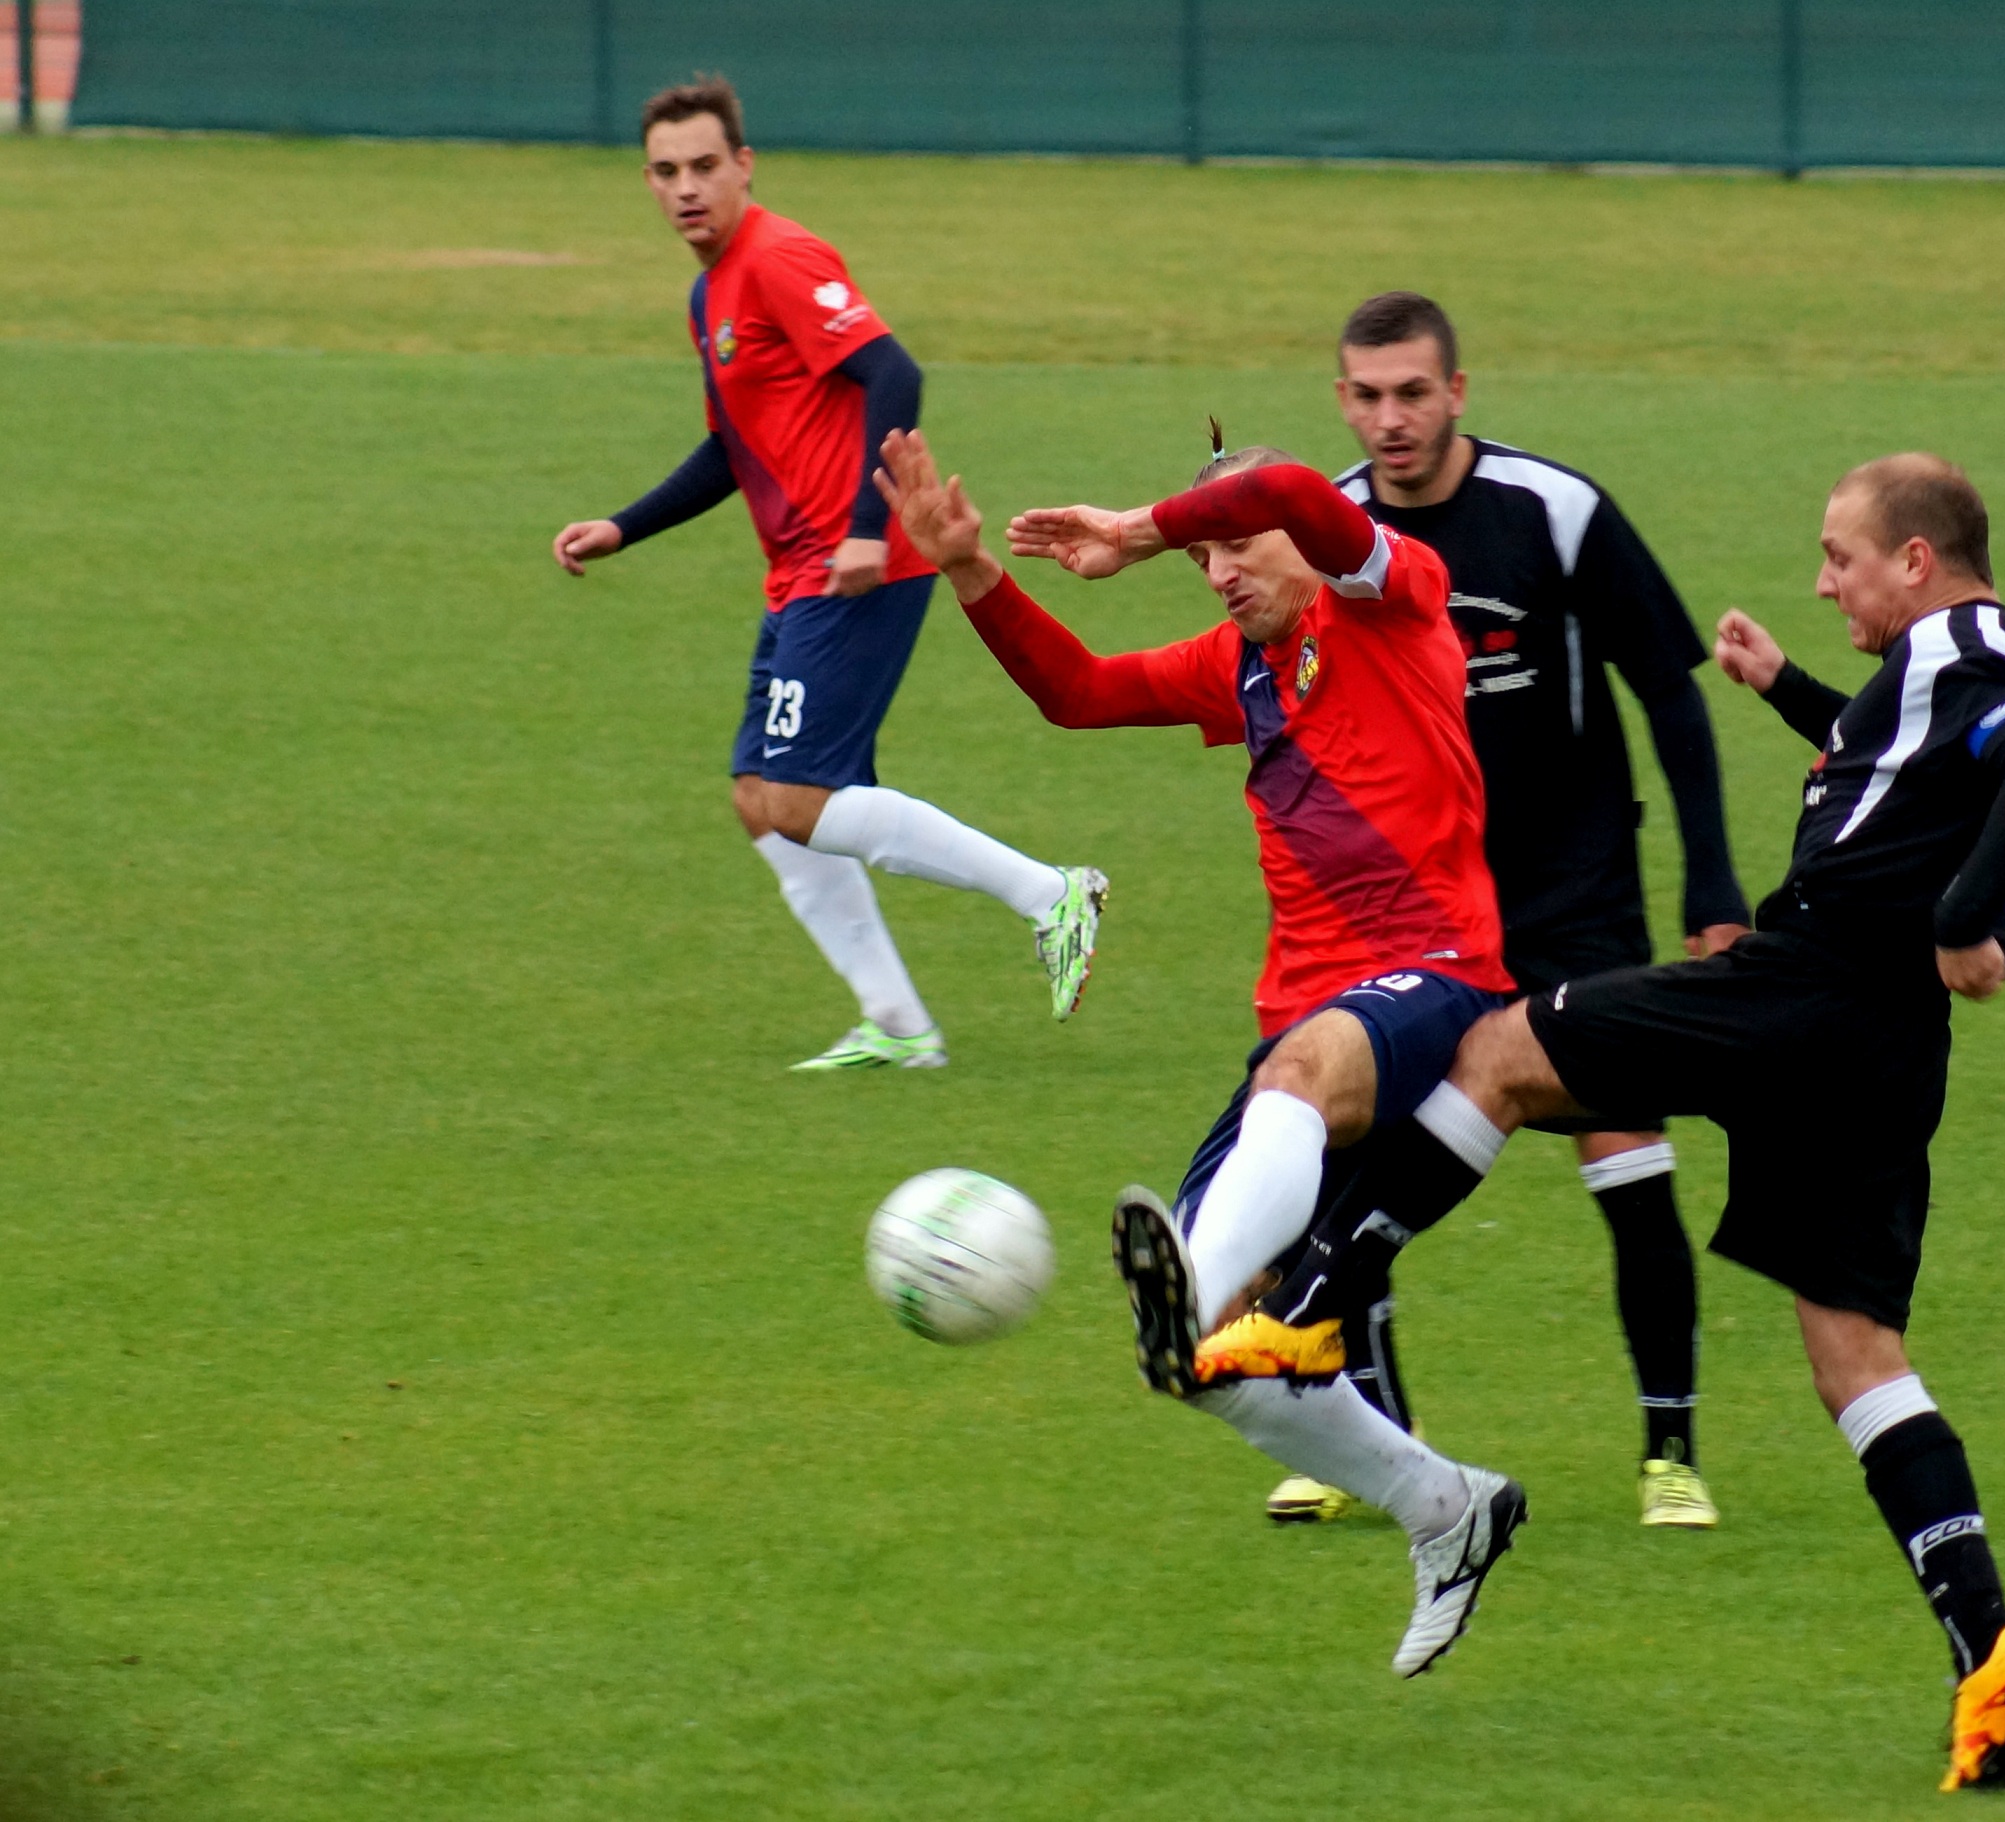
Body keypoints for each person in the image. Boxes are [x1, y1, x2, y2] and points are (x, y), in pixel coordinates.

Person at [1275, 455, 2005, 1789]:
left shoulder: (1972, 640)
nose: (1825, 581)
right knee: (1857, 1357)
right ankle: (1988, 1646)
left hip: (1804, 988)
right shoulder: (1937, 668)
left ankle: (1316, 1301)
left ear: (1919, 562)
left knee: (1496, 1047)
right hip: (1882, 1045)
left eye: (1841, 556)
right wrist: (1787, 695)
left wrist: (1965, 908)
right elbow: (1913, 772)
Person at [875, 423, 1528, 1680]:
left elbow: (1284, 484)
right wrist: (968, 570)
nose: (1220, 570)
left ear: (1308, 539)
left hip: (1440, 975)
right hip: (1307, 1018)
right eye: (1205, 554)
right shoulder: (1241, 669)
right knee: (1212, 1362)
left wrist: (1136, 525)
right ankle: (1446, 1506)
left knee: (1290, 1098)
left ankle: (1190, 1267)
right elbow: (1077, 695)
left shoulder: (1389, 598)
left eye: (1237, 546)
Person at [1250, 291, 1748, 1531]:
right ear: (1339, 399)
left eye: (1413, 392)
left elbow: (1671, 694)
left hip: (1570, 891)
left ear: (1458, 391)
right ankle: (1367, 1436)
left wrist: (1711, 881)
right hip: (1406, 909)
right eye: (1365, 395)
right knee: (1336, 1171)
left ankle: (1668, 1453)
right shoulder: (1327, 526)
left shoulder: (1553, 511)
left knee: (1624, 1158)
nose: (1390, 418)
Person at [549, 77, 1104, 1070]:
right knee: (761, 798)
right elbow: (733, 448)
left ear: (743, 166)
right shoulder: (707, 293)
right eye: (667, 172)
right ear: (647, 180)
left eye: (705, 167)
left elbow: (894, 373)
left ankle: (1049, 892)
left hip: (861, 563)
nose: (687, 188)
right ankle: (898, 1027)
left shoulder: (779, 257)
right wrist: (622, 527)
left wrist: (859, 530)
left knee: (800, 797)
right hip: (802, 572)